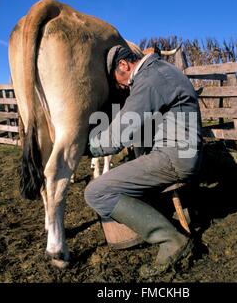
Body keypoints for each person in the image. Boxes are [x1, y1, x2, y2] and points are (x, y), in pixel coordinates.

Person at [84, 45, 203, 277]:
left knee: (96, 193)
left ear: (123, 65)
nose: (119, 85)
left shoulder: (150, 79)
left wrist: (89, 148)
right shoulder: (163, 70)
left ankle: (171, 240)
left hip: (174, 157)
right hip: (181, 154)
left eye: (116, 78)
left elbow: (120, 133)